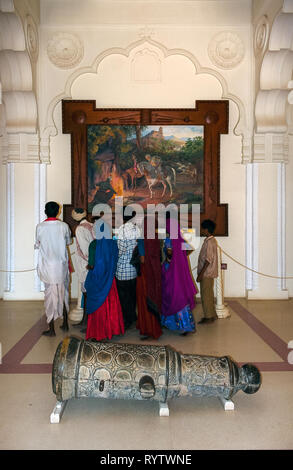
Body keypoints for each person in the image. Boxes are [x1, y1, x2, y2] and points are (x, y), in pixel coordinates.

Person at [35, 201, 72, 336]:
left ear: (45, 211)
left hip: (47, 267)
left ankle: (51, 329)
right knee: (63, 293)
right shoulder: (64, 226)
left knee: (50, 296)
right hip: (61, 266)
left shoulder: (40, 227)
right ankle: (66, 323)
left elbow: (37, 244)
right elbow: (69, 241)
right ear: (58, 212)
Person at [84, 218, 124, 341]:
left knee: (98, 306)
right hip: (109, 281)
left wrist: (90, 266)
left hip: (97, 280)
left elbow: (91, 264)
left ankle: (98, 331)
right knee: (111, 304)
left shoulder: (94, 245)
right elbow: (115, 259)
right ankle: (112, 329)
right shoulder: (112, 243)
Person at [161, 216, 197, 335]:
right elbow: (190, 249)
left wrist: (168, 258)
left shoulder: (169, 240)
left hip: (170, 271)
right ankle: (186, 325)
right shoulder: (181, 240)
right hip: (180, 272)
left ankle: (170, 322)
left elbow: (170, 255)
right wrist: (181, 259)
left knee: (172, 296)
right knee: (181, 296)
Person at [136, 216, 163, 340]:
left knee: (145, 300)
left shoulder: (143, 239)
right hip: (156, 274)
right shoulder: (157, 238)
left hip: (145, 275)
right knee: (155, 297)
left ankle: (148, 329)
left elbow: (142, 260)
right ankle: (156, 327)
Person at [115, 208, 141, 329]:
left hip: (123, 270)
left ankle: (127, 320)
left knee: (123, 297)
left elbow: (120, 250)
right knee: (132, 295)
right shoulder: (137, 228)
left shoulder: (122, 229)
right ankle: (133, 317)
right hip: (134, 268)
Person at [71, 208, 94, 330]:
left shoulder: (80, 229)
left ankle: (86, 321)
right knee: (88, 294)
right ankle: (87, 320)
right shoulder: (92, 225)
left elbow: (85, 248)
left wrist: (89, 262)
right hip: (92, 263)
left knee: (86, 294)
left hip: (85, 265)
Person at [196, 219, 218, 324]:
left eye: (203, 229)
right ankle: (212, 315)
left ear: (206, 229)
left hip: (206, 273)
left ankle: (208, 317)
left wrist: (201, 274)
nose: (202, 231)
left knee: (206, 295)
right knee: (209, 293)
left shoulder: (209, 242)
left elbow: (208, 260)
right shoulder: (211, 240)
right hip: (208, 273)